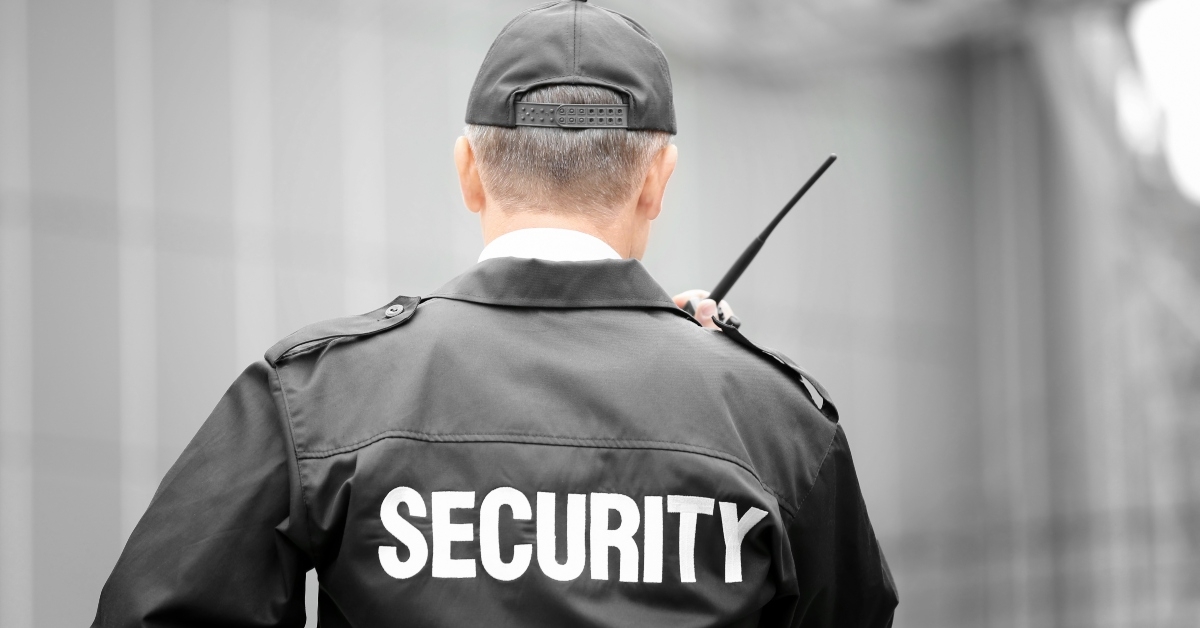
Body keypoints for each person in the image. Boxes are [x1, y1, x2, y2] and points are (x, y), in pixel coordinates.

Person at [91, 1, 897, 626]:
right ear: (658, 180)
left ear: (469, 170)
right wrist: (721, 391)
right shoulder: (781, 429)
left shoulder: (318, 399)